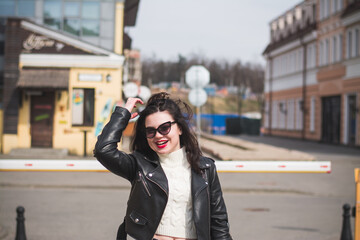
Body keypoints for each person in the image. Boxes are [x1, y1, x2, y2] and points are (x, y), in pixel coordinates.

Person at [94, 92, 232, 240]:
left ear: (179, 128)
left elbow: (219, 222)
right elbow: (103, 150)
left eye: (165, 128)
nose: (158, 135)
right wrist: (123, 114)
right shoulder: (139, 165)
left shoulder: (206, 168)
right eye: (150, 131)